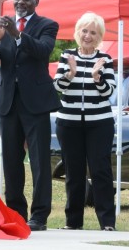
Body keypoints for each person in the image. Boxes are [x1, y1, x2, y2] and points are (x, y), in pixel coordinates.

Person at [0, 0, 61, 231]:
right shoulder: (3, 26)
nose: (21, 2)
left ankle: (39, 216)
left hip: (35, 103)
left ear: (36, 2)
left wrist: (17, 35)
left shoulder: (47, 25)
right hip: (8, 102)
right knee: (11, 161)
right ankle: (15, 211)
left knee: (39, 161)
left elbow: (43, 51)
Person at [53, 12, 116, 231]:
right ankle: (73, 223)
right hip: (68, 123)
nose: (88, 35)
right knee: (74, 172)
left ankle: (107, 223)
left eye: (93, 32)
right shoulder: (67, 56)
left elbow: (108, 92)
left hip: (100, 123)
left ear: (99, 36)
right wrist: (71, 73)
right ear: (78, 32)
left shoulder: (105, 59)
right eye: (84, 30)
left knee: (101, 171)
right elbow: (57, 88)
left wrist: (97, 77)